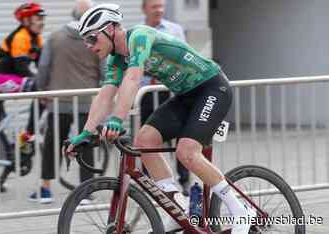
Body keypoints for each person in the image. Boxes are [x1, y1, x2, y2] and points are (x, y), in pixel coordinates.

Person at [66, 3, 256, 233]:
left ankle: (241, 211)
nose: (89, 45)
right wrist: (86, 132)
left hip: (212, 88)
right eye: (85, 39)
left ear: (111, 29)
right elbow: (106, 93)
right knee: (144, 141)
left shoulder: (139, 36)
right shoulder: (116, 59)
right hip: (186, 96)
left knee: (186, 152)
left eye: (92, 38)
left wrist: (117, 119)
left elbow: (133, 79)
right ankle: (179, 209)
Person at [28, 0, 101, 204]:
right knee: (85, 144)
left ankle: (45, 189)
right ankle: (86, 190)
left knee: (53, 143)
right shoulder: (96, 39)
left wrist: (42, 89)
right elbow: (105, 70)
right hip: (88, 101)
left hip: (59, 101)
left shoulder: (55, 37)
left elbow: (43, 68)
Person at [0, 2, 46, 198]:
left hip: (1, 81)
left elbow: (41, 67)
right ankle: (27, 136)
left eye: (43, 18)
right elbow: (22, 70)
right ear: (26, 20)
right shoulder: (20, 37)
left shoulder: (37, 39)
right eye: (37, 18)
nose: (41, 22)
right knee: (34, 87)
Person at [140, 0, 190, 196]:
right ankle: (148, 182)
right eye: (154, 6)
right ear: (144, 9)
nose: (159, 10)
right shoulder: (138, 32)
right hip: (146, 93)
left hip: (170, 92)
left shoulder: (174, 30)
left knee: (180, 138)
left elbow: (185, 57)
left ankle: (184, 181)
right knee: (146, 138)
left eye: (161, 6)